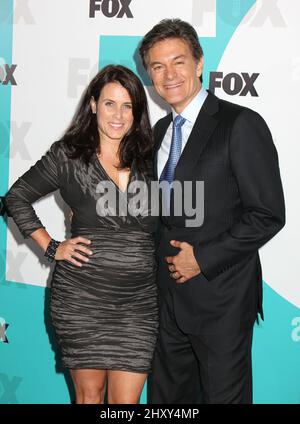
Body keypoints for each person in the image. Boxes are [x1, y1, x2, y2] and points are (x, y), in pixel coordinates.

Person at [139, 19, 285, 404]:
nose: (168, 75)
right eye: (157, 66)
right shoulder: (156, 134)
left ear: (200, 63)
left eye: (178, 61)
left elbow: (268, 213)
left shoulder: (241, 124)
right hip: (166, 303)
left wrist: (202, 259)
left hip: (221, 299)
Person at [4, 65, 159, 404]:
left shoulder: (151, 158)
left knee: (126, 405)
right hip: (81, 300)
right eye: (109, 103)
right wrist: (51, 247)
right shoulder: (68, 155)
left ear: (137, 111)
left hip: (138, 304)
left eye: (127, 105)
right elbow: (16, 198)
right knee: (90, 397)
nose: (118, 115)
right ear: (92, 105)